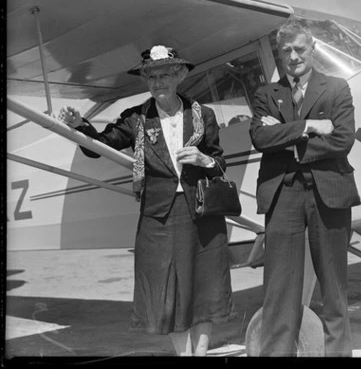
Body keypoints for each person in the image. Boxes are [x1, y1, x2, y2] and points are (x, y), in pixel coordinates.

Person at [58, 45, 235, 356]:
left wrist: (204, 159)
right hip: (160, 216)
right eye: (151, 76)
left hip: (204, 212)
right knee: (169, 290)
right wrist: (79, 126)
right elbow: (99, 145)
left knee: (206, 285)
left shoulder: (202, 115)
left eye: (166, 73)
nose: (158, 82)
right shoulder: (136, 119)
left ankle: (202, 353)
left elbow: (220, 164)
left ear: (181, 75)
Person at [249, 20, 361, 357]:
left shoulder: (337, 88)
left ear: (311, 50)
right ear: (279, 55)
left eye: (300, 49)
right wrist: (310, 126)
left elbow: (343, 139)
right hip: (282, 195)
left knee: (334, 290)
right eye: (287, 51)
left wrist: (287, 137)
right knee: (279, 290)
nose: (294, 56)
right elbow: (260, 138)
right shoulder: (266, 94)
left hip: (329, 194)